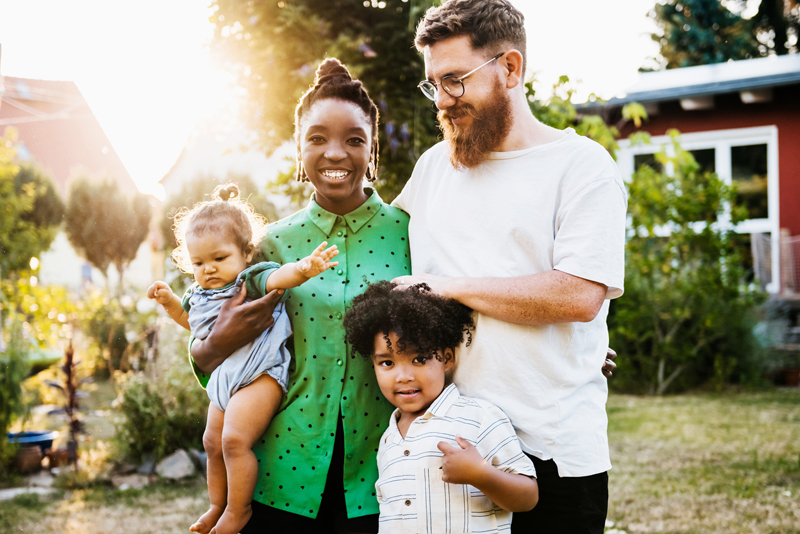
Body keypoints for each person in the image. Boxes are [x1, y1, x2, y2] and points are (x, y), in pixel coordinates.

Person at [391, 1, 628, 532]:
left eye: (455, 80)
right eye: (434, 85)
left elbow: (579, 295)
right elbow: (383, 261)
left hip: (553, 455)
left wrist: (449, 288)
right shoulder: (432, 168)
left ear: (511, 69)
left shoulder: (581, 167)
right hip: (449, 449)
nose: (444, 102)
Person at [188, 58, 411, 533]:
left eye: (354, 139)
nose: (335, 153)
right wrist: (203, 353)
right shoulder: (270, 245)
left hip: (382, 475)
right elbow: (215, 339)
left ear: (372, 151)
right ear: (299, 148)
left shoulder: (409, 234)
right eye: (317, 138)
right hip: (281, 476)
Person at [147, 183, 339, 534]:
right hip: (225, 380)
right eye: (199, 263)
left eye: (219, 258)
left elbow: (279, 277)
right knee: (211, 442)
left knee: (234, 440)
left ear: (246, 252)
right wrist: (170, 302)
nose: (208, 269)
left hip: (260, 376)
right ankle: (217, 505)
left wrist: (304, 268)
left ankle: (239, 510)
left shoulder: (249, 280)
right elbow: (192, 324)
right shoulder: (200, 292)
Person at [343, 281, 538, 533]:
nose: (403, 376)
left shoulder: (479, 417)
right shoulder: (389, 439)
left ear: (446, 358)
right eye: (387, 363)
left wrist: (481, 474)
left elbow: (528, 497)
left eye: (419, 359)